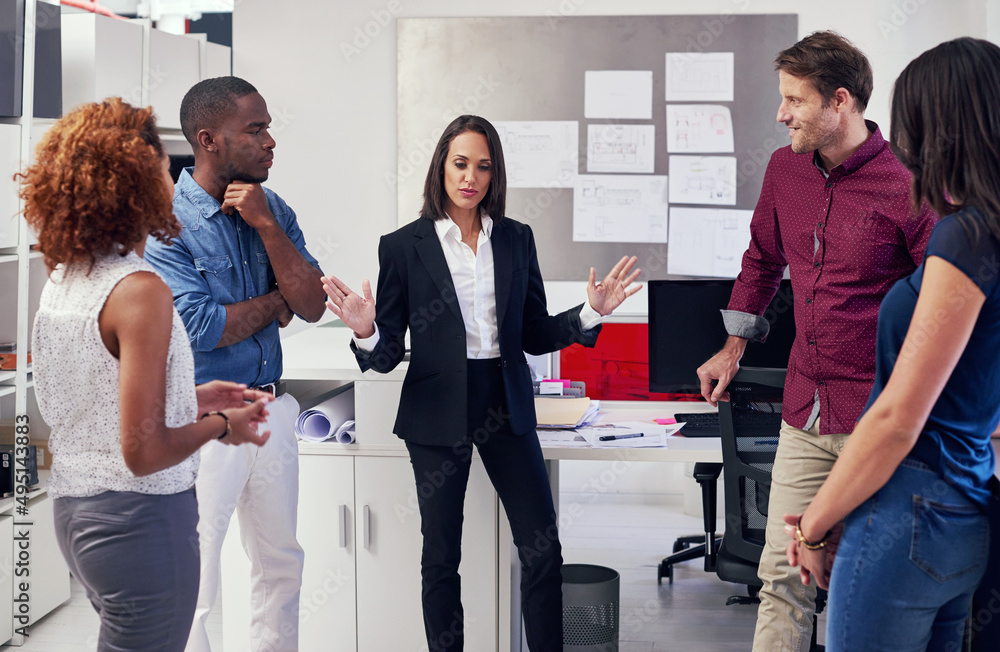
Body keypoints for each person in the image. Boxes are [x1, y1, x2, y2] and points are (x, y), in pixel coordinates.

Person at [322, 114, 641, 651]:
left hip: (505, 401)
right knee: (441, 556)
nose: (471, 177)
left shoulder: (516, 239)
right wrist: (366, 329)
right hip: (436, 408)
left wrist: (589, 311)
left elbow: (534, 333)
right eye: (461, 163)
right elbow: (386, 354)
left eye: (483, 166)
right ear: (441, 168)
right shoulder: (403, 246)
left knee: (543, 550)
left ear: (495, 175)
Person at [694, 31, 938, 651]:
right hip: (804, 410)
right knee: (782, 577)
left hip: (877, 421)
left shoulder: (909, 184)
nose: (782, 115)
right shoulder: (784, 171)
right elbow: (761, 261)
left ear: (840, 102)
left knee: (866, 584)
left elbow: (942, 303)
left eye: (794, 101)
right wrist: (733, 346)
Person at [22, 98, 272, 651]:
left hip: (77, 514)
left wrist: (193, 395)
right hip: (140, 520)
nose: (173, 178)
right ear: (133, 183)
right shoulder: (140, 290)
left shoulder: (68, 277)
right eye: (163, 168)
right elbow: (144, 450)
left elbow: (97, 393)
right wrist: (221, 426)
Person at [786, 37, 1000, 652]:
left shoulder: (964, 239)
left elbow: (898, 418)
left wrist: (818, 524)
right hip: (965, 502)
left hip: (913, 509)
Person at [144, 77, 326, 652]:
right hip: (204, 421)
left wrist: (268, 228)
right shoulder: (165, 223)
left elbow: (315, 304)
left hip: (271, 408)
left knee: (280, 563)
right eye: (255, 129)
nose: (271, 141)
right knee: (195, 577)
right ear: (209, 139)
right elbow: (202, 329)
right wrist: (280, 303)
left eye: (268, 127)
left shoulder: (276, 210)